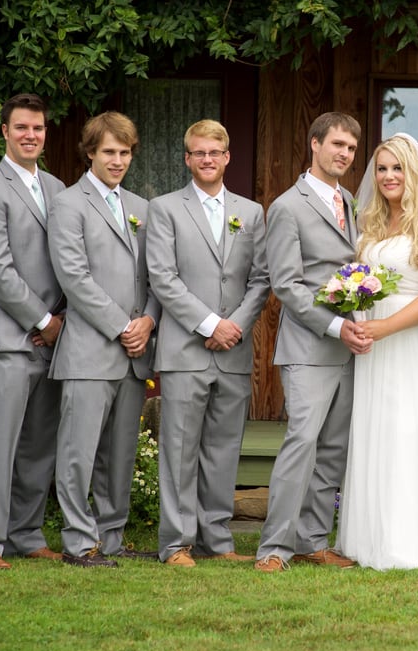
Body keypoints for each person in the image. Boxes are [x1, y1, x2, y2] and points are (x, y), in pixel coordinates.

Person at [335, 134, 418, 570]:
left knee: (412, 433)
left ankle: (413, 543)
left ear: (413, 173)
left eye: (397, 169)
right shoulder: (371, 222)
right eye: (381, 169)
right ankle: (371, 539)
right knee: (380, 431)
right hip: (374, 342)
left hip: (413, 341)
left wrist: (385, 327)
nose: (388, 177)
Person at [146, 119, 270, 566]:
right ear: (187, 158)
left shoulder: (251, 211)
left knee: (222, 449)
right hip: (185, 349)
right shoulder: (164, 208)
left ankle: (216, 540)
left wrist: (233, 325)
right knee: (179, 449)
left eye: (214, 152)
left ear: (227, 156)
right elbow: (162, 276)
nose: (207, 159)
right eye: (198, 153)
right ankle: (176, 542)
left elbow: (261, 279)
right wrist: (208, 323)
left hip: (234, 350)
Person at [254, 112, 371, 573]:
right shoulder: (288, 206)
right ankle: (273, 549)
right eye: (337, 144)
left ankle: (312, 541)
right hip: (309, 346)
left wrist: (358, 324)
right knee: (301, 442)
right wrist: (335, 326)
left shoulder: (355, 203)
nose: (344, 153)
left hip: (354, 345)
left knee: (334, 449)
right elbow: (287, 285)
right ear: (315, 145)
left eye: (351, 148)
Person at [48, 111, 160, 568]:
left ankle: (111, 539)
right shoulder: (69, 204)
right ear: (90, 152)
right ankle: (79, 541)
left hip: (135, 352)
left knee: (119, 454)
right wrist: (122, 326)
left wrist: (148, 322)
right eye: (109, 152)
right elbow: (73, 278)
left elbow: (157, 278)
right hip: (91, 350)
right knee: (79, 452)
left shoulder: (141, 207)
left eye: (125, 152)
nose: (118, 161)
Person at [0, 93, 67, 568]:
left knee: (38, 445)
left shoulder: (58, 187)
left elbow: (70, 262)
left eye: (39, 128)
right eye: (22, 127)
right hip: (10, 338)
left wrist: (59, 320)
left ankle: (26, 532)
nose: (31, 135)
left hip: (54, 339)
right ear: (5, 131)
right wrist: (43, 321)